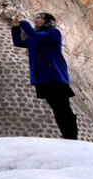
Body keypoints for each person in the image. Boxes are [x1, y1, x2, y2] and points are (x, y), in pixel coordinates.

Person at [11, 11, 78, 139]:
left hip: (55, 76)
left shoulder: (53, 33)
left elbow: (34, 35)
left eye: (39, 17)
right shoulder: (36, 37)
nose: (35, 19)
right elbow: (18, 42)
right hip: (42, 79)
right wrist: (15, 26)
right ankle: (68, 137)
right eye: (35, 17)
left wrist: (24, 22)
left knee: (63, 109)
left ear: (47, 21)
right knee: (57, 109)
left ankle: (72, 137)